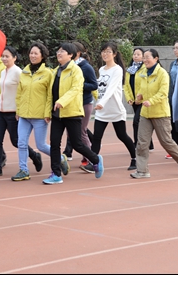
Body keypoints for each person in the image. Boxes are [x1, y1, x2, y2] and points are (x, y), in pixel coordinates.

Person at [43, 42, 104, 185]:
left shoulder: (76, 70)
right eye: (58, 51)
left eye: (62, 51)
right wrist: (48, 112)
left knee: (77, 144)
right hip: (57, 114)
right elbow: (50, 94)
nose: (59, 53)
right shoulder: (55, 71)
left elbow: (76, 89)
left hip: (72, 112)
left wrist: (62, 101)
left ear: (71, 55)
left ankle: (96, 159)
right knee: (55, 143)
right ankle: (56, 174)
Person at [131, 49, 178, 179]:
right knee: (142, 142)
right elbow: (141, 88)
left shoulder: (162, 73)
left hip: (160, 113)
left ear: (156, 58)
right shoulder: (143, 72)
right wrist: (139, 96)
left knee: (166, 141)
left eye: (148, 57)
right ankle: (142, 170)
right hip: (145, 113)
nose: (145, 60)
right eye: (144, 57)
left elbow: (163, 93)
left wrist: (151, 101)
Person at [0, 46, 41, 177]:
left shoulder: (18, 72)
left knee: (16, 141)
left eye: (7, 56)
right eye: (3, 56)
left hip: (12, 112)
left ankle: (34, 156)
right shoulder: (2, 72)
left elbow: (23, 91)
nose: (4, 59)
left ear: (14, 58)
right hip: (0, 111)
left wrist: (19, 110)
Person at [87, 41, 136, 172]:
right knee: (97, 137)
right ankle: (93, 163)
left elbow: (111, 88)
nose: (105, 54)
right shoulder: (102, 70)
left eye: (108, 51)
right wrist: (97, 100)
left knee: (122, 136)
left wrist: (101, 102)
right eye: (103, 51)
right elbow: (99, 87)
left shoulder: (118, 70)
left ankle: (135, 158)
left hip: (114, 109)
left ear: (114, 54)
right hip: (102, 111)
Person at [13, 42, 54, 181]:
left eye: (36, 53)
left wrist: (47, 112)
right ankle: (23, 170)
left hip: (39, 116)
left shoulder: (48, 73)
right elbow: (19, 93)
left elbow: (50, 95)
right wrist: (18, 110)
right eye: (31, 53)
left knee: (41, 145)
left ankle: (60, 158)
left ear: (42, 56)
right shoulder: (24, 72)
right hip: (24, 115)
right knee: (21, 143)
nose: (33, 55)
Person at [65, 41, 97, 167]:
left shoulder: (86, 67)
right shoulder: (67, 67)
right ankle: (85, 156)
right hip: (71, 104)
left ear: (77, 53)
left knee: (82, 132)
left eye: (70, 52)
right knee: (72, 133)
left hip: (84, 103)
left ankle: (89, 158)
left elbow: (94, 85)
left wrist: (78, 85)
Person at [124, 47, 149, 150]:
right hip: (134, 101)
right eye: (134, 54)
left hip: (142, 101)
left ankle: (136, 144)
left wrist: (140, 97)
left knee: (136, 122)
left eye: (138, 54)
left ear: (143, 57)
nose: (136, 56)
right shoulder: (129, 70)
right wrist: (129, 98)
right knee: (142, 122)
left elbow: (145, 85)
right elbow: (126, 85)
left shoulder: (145, 69)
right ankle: (150, 144)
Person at [165, 40, 178, 156]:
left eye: (177, 48)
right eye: (174, 48)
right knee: (172, 125)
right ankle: (174, 150)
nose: (175, 50)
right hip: (172, 97)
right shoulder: (173, 64)